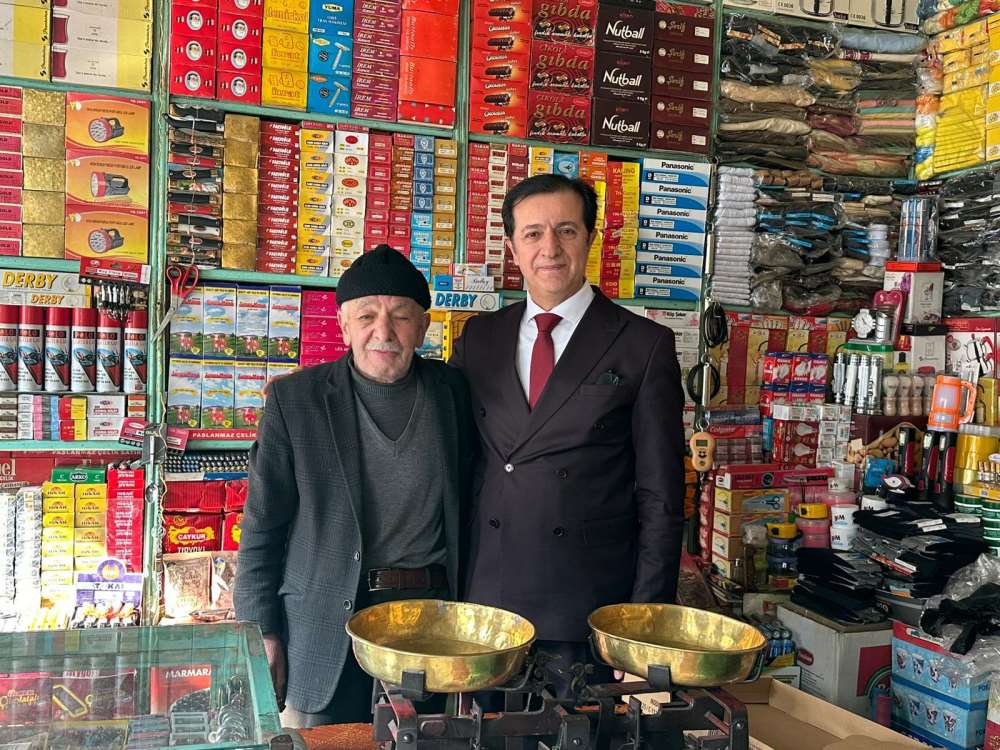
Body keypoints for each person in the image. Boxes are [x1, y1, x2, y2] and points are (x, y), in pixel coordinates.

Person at [450, 174, 687, 694]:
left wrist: (642, 627)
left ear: (590, 238)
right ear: (512, 247)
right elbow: (455, 460)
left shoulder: (643, 344)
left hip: (586, 610)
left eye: (566, 230)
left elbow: (661, 497)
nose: (550, 248)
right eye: (533, 233)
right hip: (485, 607)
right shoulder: (479, 338)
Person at [235, 245, 475, 727]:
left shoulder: (455, 393)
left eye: (400, 316)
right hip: (324, 624)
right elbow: (262, 526)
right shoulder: (295, 401)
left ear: (423, 327)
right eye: (366, 316)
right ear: (343, 326)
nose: (383, 332)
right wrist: (261, 631)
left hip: (428, 625)